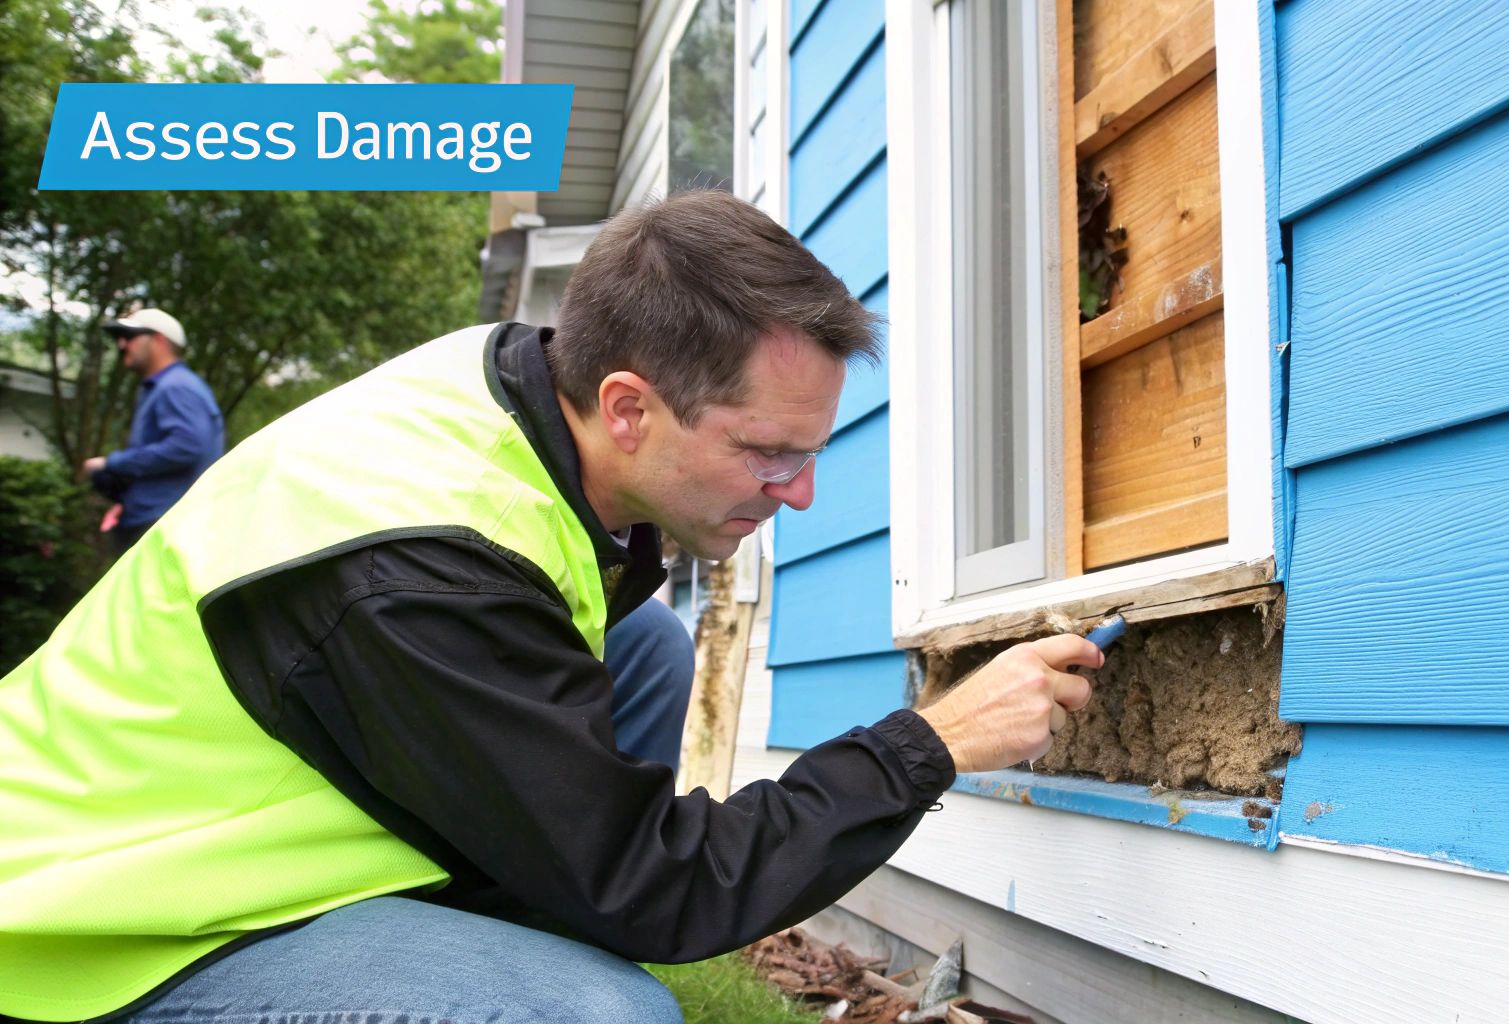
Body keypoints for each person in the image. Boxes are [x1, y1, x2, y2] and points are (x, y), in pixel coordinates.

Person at [0, 190, 1100, 1024]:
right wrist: (929, 743)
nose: (800, 493)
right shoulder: (425, 575)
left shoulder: (517, 398)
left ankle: (519, 932)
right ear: (628, 406)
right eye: (767, 455)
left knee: (647, 647)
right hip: (100, 919)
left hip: (250, 811)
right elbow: (653, 885)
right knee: (594, 1011)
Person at [79, 307, 225, 554]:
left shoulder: (175, 386)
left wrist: (110, 463)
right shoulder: (161, 387)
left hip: (163, 526)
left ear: (159, 339)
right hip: (154, 520)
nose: (122, 344)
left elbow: (186, 446)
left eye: (130, 336)